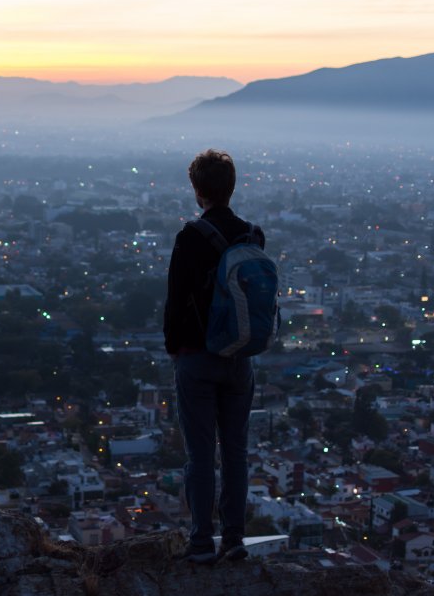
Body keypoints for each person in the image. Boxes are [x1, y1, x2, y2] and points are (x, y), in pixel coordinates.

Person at [164, 149, 262, 564]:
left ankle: (202, 542)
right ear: (231, 186)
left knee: (200, 454)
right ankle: (235, 540)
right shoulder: (252, 235)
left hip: (198, 357)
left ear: (197, 190)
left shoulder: (190, 236)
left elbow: (174, 302)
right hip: (240, 358)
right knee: (235, 451)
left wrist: (176, 350)